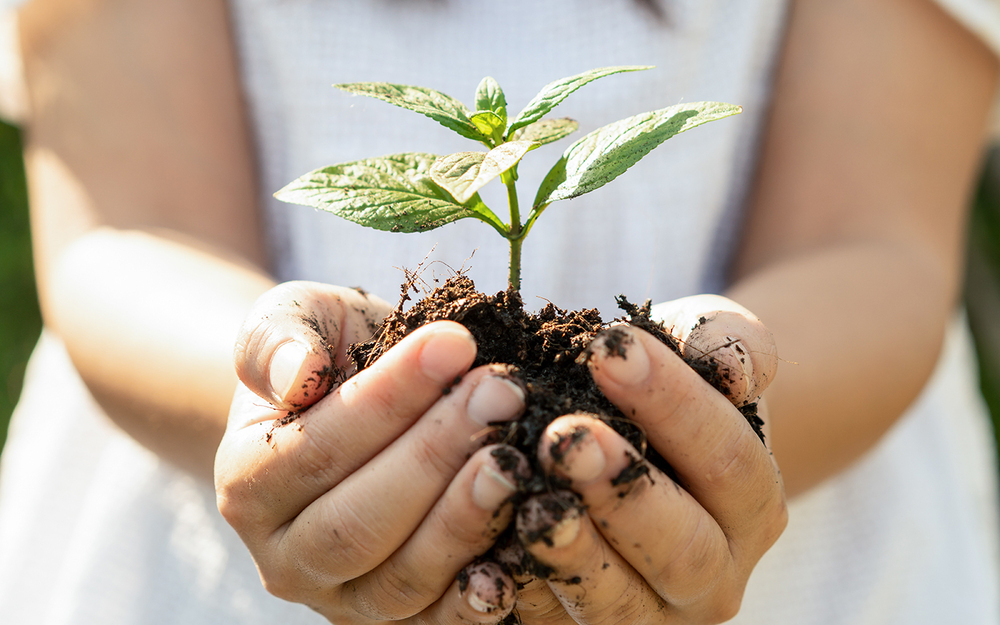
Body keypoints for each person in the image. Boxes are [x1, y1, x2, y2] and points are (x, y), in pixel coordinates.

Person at [0, 0, 997, 623]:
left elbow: (871, 240)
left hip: (820, 543)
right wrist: (292, 405)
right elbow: (128, 229)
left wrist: (708, 431)